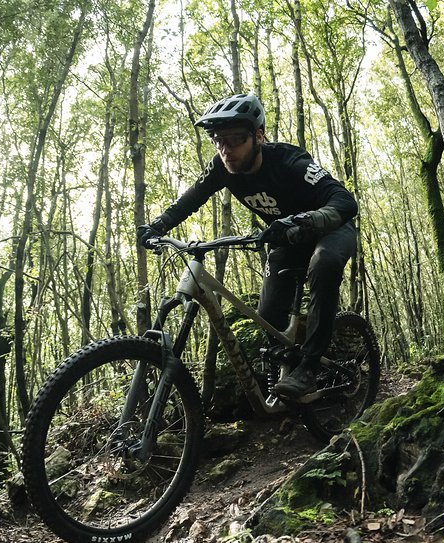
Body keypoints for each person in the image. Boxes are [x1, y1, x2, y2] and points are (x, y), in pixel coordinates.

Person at [137, 93, 358, 401]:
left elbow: (346, 203)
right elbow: (188, 200)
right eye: (218, 141)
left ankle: (308, 369)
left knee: (323, 263)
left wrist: (306, 221)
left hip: (330, 229)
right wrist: (157, 226)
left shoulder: (290, 162)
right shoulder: (221, 167)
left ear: (258, 135)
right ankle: (291, 370)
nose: (226, 150)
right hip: (286, 239)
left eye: (236, 140)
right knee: (268, 316)